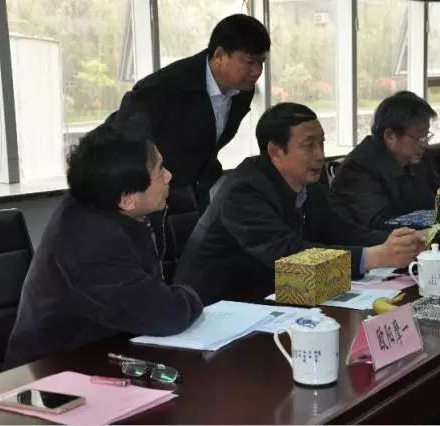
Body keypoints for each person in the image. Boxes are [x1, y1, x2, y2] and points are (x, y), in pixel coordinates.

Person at [174, 103, 424, 304]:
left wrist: (401, 242)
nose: (320, 155)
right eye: (308, 146)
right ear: (276, 152)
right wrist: (374, 257)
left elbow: (341, 230)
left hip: (276, 297)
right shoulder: (243, 192)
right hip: (214, 309)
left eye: (322, 143)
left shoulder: (308, 184)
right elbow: (288, 254)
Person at [4, 119, 203, 368]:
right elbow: (165, 314)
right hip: (52, 374)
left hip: (100, 355)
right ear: (127, 200)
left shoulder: (98, 202)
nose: (169, 176)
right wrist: (191, 294)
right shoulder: (90, 244)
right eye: (160, 170)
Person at [109, 14, 270, 212]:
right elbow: (124, 143)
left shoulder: (242, 90)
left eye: (261, 62)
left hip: (195, 190)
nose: (257, 71)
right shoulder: (164, 87)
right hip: (151, 195)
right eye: (250, 62)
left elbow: (209, 141)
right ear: (219, 55)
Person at [329, 91, 440, 230]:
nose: (425, 144)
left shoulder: (415, 160)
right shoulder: (359, 168)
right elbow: (379, 223)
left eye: (427, 135)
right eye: (419, 137)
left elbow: (432, 203)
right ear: (390, 136)